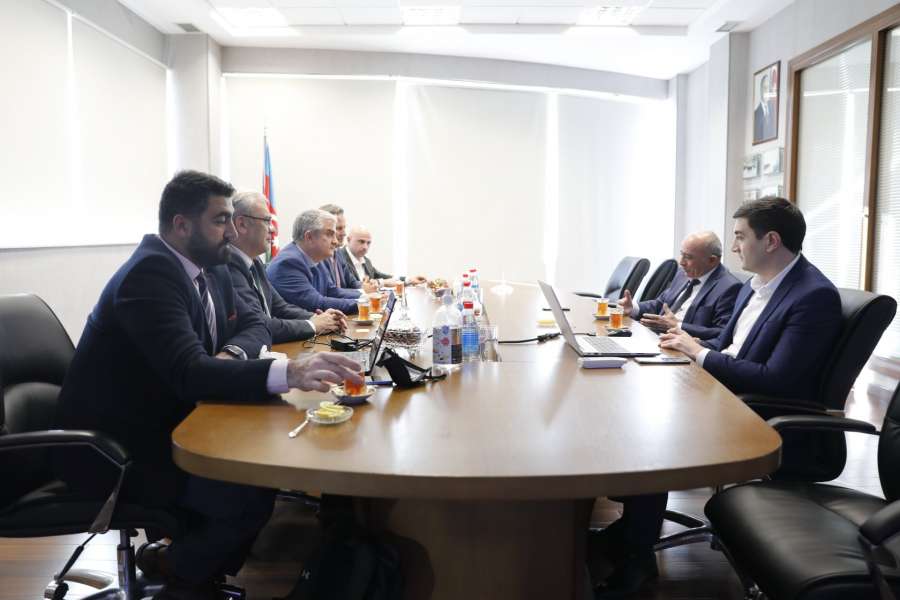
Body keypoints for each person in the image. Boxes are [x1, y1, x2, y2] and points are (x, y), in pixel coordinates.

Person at [55, 171, 363, 600]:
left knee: (255, 470)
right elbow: (189, 374)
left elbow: (256, 324)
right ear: (181, 225)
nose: (232, 231)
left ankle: (183, 563)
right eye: (220, 220)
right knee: (244, 490)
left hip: (173, 418)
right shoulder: (150, 274)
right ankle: (183, 577)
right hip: (115, 449)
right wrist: (290, 374)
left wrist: (230, 356)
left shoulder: (212, 266)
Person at [593, 197, 842, 598]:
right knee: (632, 404)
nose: (735, 246)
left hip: (758, 412)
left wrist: (698, 352)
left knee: (648, 431)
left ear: (771, 241)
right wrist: (688, 343)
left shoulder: (813, 296)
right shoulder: (754, 286)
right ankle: (628, 532)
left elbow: (776, 380)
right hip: (723, 389)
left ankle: (636, 557)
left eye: (741, 237)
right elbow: (727, 345)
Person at [229, 191, 346, 342]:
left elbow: (280, 307)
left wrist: (319, 318)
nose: (273, 229)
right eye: (267, 220)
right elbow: (259, 323)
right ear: (242, 224)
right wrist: (313, 325)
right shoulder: (228, 265)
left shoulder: (255, 262)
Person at [617, 231, 741, 341]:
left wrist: (678, 325)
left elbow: (721, 333)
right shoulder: (682, 274)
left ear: (712, 260)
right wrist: (633, 308)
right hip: (655, 338)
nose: (681, 262)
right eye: (682, 254)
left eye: (688, 257)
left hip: (682, 349)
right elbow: (660, 304)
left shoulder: (730, 288)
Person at [267, 209, 363, 314]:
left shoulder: (316, 258)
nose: (335, 241)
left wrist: (366, 297)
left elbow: (332, 291)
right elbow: (317, 304)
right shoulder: (288, 263)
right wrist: (364, 304)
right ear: (309, 237)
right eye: (329, 234)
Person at [340, 225, 427, 288]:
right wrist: (381, 283)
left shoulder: (366, 261)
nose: (365, 247)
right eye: (361, 241)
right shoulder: (339, 258)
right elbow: (353, 287)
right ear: (348, 240)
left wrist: (409, 280)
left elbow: (384, 277)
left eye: (368, 243)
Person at [318, 203, 377, 293]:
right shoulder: (318, 256)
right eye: (339, 228)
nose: (344, 233)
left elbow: (351, 282)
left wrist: (365, 286)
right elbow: (331, 292)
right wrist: (362, 293)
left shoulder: (337, 252)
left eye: (344, 228)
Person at [754, 71, 777, 142]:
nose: (766, 90)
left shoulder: (773, 108)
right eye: (764, 88)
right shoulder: (756, 114)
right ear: (761, 90)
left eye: (768, 88)